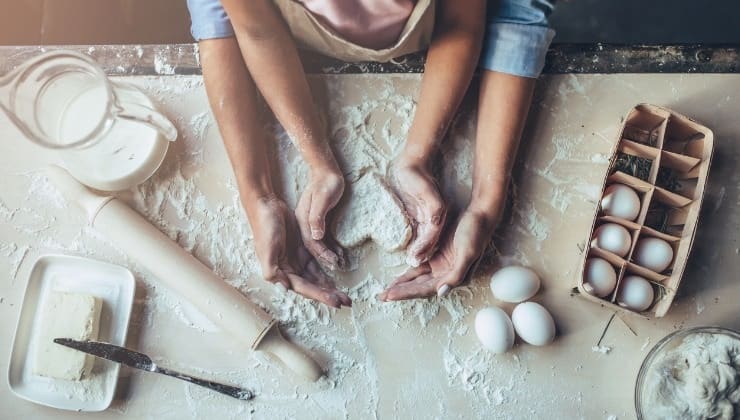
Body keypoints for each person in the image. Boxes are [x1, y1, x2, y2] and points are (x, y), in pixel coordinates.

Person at [186, 0, 555, 307]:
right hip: (281, 41)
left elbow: (476, 16)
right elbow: (252, 27)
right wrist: (261, 194)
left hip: (443, 35)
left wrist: (484, 198)